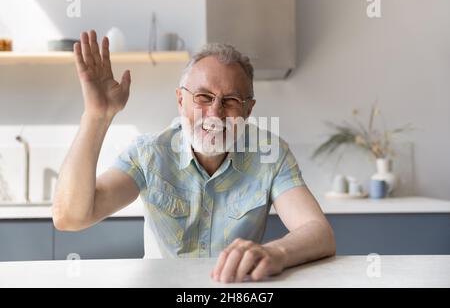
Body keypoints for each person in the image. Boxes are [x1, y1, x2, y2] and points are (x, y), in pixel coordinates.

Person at [52, 30, 335, 283]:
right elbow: (71, 217)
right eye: (203, 97)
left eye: (231, 101)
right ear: (180, 100)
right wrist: (97, 115)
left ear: (248, 110)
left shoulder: (270, 154)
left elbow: (318, 232)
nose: (215, 114)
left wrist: (276, 252)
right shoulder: (149, 153)